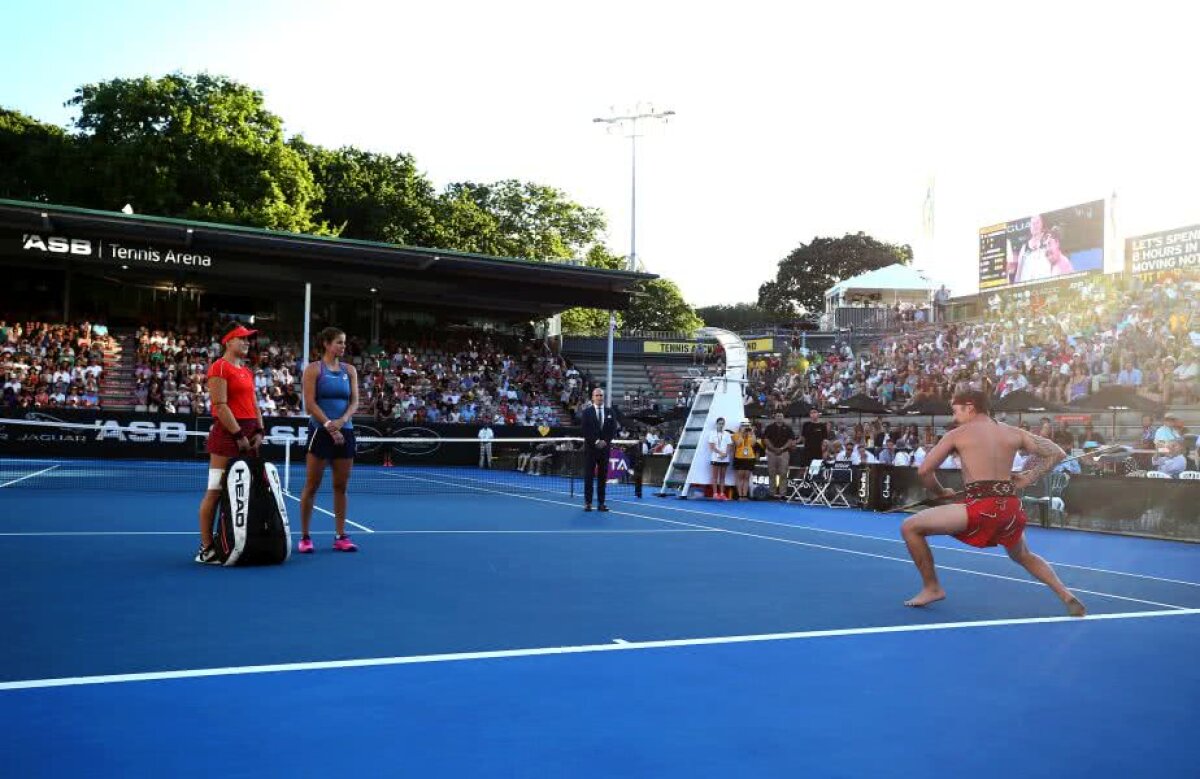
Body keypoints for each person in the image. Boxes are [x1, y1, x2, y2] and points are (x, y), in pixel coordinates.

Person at [900, 389, 1085, 616]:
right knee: (1022, 555)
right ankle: (1065, 594)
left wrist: (940, 491)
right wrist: (1029, 478)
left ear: (970, 407)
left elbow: (925, 470)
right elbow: (1056, 453)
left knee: (910, 527)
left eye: (955, 411)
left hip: (982, 507)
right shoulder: (1014, 432)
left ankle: (932, 587)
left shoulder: (957, 434)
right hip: (1010, 508)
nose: (954, 417)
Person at [195, 324, 264, 564]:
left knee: (246, 494)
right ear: (228, 342)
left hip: (249, 436)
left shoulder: (246, 370)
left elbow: (254, 404)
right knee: (215, 491)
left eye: (248, 340)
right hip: (228, 437)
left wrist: (260, 430)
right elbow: (221, 405)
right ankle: (207, 549)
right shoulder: (219, 367)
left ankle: (237, 542)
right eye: (242, 339)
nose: (247, 343)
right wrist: (238, 436)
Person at [297, 327, 360, 553]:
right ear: (326, 344)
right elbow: (310, 403)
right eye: (339, 342)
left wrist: (341, 422)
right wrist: (328, 425)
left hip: (346, 431)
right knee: (312, 486)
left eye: (344, 343)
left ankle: (341, 536)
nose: (343, 346)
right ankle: (305, 537)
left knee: (340, 487)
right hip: (320, 432)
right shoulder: (313, 369)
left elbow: (355, 402)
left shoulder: (350, 370)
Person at [581, 387, 616, 511]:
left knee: (602, 478)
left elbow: (612, 430)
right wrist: (596, 441)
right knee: (588, 477)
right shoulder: (586, 412)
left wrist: (605, 441)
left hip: (604, 450)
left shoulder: (610, 412)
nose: (599, 397)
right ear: (592, 397)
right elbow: (585, 430)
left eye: (601, 395)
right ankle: (588, 503)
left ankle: (601, 503)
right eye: (597, 395)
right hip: (590, 450)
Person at [763, 412, 796, 499]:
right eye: (777, 416)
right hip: (771, 453)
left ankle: (782, 494)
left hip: (784, 453)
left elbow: (790, 440)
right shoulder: (769, 427)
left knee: (783, 473)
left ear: (783, 417)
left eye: (781, 416)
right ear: (775, 417)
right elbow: (765, 440)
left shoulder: (788, 428)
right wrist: (773, 448)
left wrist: (781, 448)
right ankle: (772, 493)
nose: (779, 418)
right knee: (771, 473)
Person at [731, 421, 759, 500]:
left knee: (746, 478)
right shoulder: (736, 435)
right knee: (740, 478)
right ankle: (740, 495)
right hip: (739, 458)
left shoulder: (750, 435)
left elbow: (753, 443)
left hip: (749, 458)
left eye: (747, 426)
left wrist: (752, 433)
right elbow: (738, 444)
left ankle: (744, 495)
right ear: (740, 427)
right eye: (743, 426)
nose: (745, 427)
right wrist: (742, 434)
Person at [708, 417, 733, 500]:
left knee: (722, 477)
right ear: (716, 424)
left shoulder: (727, 434)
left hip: (725, 458)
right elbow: (712, 446)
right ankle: (715, 494)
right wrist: (720, 453)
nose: (721, 425)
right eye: (720, 423)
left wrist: (725, 453)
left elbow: (729, 445)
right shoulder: (712, 433)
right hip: (715, 458)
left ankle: (722, 494)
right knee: (715, 477)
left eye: (722, 423)